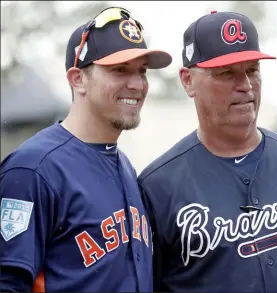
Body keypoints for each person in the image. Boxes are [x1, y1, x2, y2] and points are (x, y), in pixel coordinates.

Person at [137, 10, 277, 292]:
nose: (246, 86)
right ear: (188, 80)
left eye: (252, 70)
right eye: (227, 73)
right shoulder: (156, 187)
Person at [0, 7, 172, 292]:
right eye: (119, 70)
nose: (137, 84)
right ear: (77, 79)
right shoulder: (34, 169)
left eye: (141, 72)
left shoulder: (125, 165)